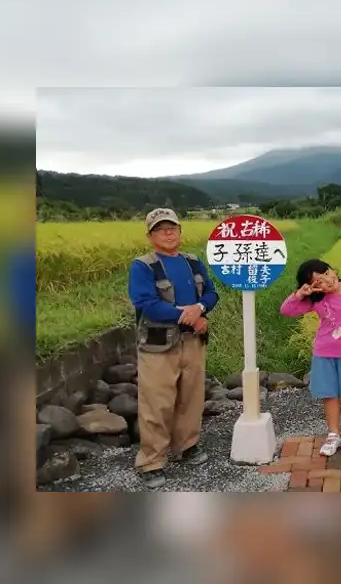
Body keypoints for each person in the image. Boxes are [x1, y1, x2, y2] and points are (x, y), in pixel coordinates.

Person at [128, 208, 219, 488]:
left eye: (172, 228)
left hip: (192, 341)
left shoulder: (192, 262)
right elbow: (145, 302)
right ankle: (151, 461)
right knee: (157, 401)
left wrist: (201, 307)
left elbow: (212, 293)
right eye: (160, 229)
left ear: (180, 231)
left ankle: (187, 446)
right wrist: (188, 314)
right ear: (150, 236)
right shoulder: (143, 266)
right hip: (158, 344)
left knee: (191, 397)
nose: (167, 233)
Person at [280, 259, 341, 457]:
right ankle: (334, 434)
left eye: (326, 273)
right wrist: (300, 294)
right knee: (330, 395)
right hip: (324, 352)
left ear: (332, 269)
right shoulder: (316, 300)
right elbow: (286, 310)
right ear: (313, 287)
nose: (327, 280)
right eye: (318, 282)